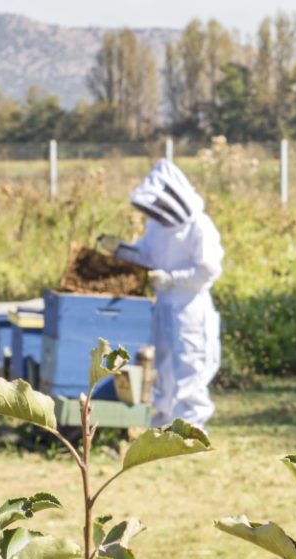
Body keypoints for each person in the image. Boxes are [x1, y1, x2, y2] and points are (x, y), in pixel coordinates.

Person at [117, 159, 224, 429]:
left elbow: (209, 270)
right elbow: (146, 254)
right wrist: (121, 250)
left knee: (191, 365)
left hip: (190, 306)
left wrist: (171, 279)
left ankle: (192, 427)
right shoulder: (157, 226)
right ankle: (162, 421)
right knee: (161, 365)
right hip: (163, 305)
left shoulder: (199, 226)